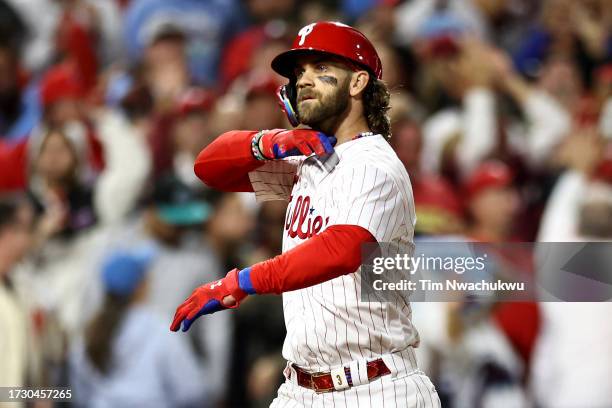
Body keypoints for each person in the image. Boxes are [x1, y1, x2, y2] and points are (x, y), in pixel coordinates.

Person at [171, 21, 441, 407]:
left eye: (321, 68)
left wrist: (242, 281)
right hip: (300, 389)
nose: (304, 81)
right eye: (299, 73)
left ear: (358, 82)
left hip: (375, 386)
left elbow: (342, 249)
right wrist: (272, 142)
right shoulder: (308, 160)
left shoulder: (374, 163)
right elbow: (208, 167)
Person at [69, 247, 207, 407]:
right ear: (139, 287)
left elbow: (80, 394)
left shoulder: (88, 332)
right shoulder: (160, 329)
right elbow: (192, 391)